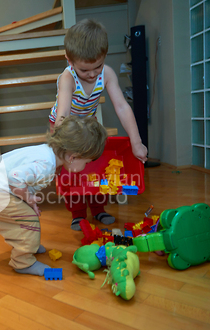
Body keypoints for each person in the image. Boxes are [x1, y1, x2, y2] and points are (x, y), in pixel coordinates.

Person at [0, 116, 107, 276]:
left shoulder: (47, 152)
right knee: (29, 221)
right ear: (73, 157)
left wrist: (28, 200)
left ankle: (29, 245)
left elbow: (21, 181)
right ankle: (22, 262)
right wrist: (28, 199)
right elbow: (15, 177)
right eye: (86, 162)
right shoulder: (46, 164)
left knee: (26, 219)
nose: (85, 166)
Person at [49, 19, 148, 231]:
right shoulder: (67, 79)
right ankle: (77, 214)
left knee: (96, 167)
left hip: (88, 124)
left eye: (98, 67)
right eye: (85, 70)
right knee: (72, 170)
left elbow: (122, 107)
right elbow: (63, 114)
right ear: (69, 60)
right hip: (65, 127)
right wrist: (64, 148)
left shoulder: (107, 74)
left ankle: (98, 208)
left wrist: (136, 142)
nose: (93, 74)